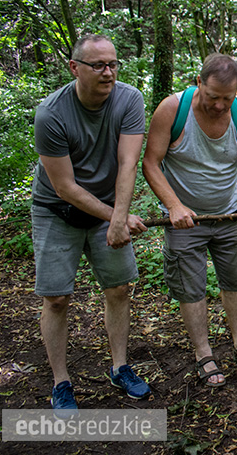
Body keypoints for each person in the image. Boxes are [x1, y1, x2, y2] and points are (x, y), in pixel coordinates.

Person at [31, 34, 151, 413]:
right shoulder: (51, 114)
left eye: (113, 64)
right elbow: (64, 187)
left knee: (118, 289)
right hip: (57, 211)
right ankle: (61, 382)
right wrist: (115, 218)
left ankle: (119, 367)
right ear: (75, 68)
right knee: (57, 299)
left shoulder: (129, 99)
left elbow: (129, 162)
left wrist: (118, 218)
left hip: (109, 209)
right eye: (98, 65)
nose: (108, 72)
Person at [142, 53, 237, 388]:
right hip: (185, 220)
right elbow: (151, 163)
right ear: (198, 83)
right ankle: (203, 353)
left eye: (228, 98)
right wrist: (173, 206)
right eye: (213, 97)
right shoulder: (172, 109)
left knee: (235, 280)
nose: (220, 106)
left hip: (229, 213)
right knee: (191, 287)